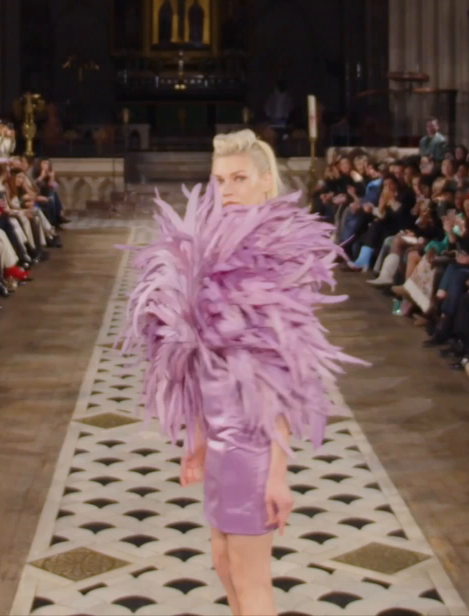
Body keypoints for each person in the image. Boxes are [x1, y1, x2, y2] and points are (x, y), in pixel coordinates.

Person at [124, 129, 362, 616]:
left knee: (251, 581)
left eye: (239, 178)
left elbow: (283, 376)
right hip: (219, 439)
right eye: (219, 181)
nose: (227, 190)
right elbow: (202, 363)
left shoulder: (276, 259)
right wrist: (199, 440)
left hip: (254, 446)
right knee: (225, 565)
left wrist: (278, 474)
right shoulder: (211, 252)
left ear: (266, 181)